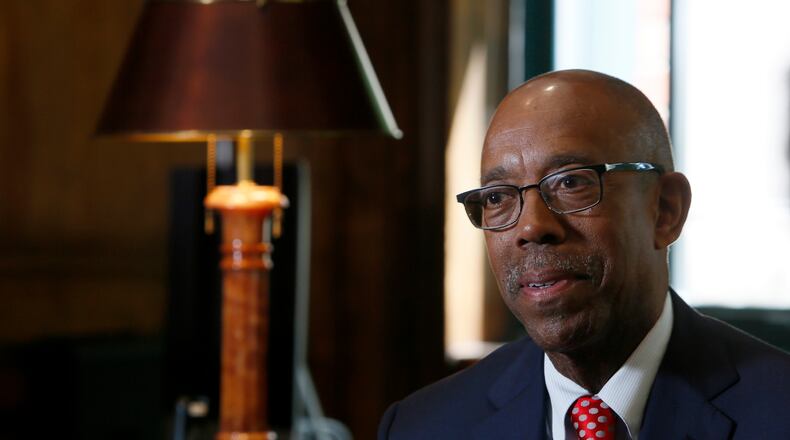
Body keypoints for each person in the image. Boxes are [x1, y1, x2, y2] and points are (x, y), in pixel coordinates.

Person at [378, 70, 790, 439]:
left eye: (571, 182)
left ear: (666, 210)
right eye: (497, 197)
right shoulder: (422, 426)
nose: (531, 227)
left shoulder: (778, 409)